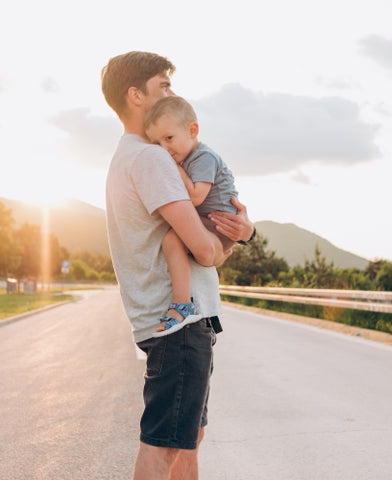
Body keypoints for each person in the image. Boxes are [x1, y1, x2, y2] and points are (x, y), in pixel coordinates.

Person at [101, 51, 255, 480]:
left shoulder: (127, 155)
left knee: (187, 441)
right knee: (164, 446)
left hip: (177, 324)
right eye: (163, 86)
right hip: (178, 326)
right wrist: (241, 236)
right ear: (136, 96)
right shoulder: (150, 158)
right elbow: (205, 251)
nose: (173, 93)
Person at [144, 96, 239, 337]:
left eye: (169, 138)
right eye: (158, 144)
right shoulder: (188, 156)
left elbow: (196, 196)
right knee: (172, 240)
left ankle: (182, 305)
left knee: (172, 240)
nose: (164, 149)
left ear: (193, 130)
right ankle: (183, 301)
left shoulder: (203, 157)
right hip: (209, 222)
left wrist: (174, 169)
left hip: (219, 224)